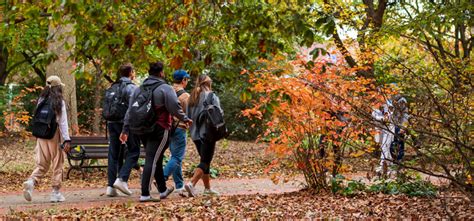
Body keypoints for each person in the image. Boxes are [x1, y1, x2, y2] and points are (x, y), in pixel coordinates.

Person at [120, 62, 192, 202]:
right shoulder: (165, 88)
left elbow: (130, 110)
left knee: (155, 157)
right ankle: (145, 193)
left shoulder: (139, 88)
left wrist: (125, 129)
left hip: (141, 129)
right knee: (152, 159)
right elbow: (174, 107)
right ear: (161, 73)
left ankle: (163, 190)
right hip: (160, 128)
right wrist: (185, 118)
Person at [23, 75, 71, 202]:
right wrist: (66, 139)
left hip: (41, 134)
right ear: (58, 87)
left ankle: (31, 182)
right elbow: (63, 122)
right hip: (54, 135)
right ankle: (55, 192)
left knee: (42, 163)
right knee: (57, 162)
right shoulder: (59, 101)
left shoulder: (41, 99)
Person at [105, 63, 141, 197]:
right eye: (134, 71)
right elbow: (134, 109)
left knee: (114, 154)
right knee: (134, 151)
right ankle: (122, 179)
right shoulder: (131, 88)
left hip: (111, 123)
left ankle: (110, 187)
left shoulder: (112, 86)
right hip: (125, 124)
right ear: (131, 72)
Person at [184, 74, 222, 197]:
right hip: (208, 134)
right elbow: (219, 112)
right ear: (208, 83)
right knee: (205, 161)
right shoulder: (211, 96)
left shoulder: (192, 97)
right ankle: (191, 184)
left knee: (204, 160)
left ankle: (207, 189)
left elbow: (188, 117)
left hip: (195, 134)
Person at [163, 69, 191, 197]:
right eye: (187, 79)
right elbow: (189, 115)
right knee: (177, 157)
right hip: (179, 128)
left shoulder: (167, 91)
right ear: (183, 80)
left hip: (167, 128)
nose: (187, 82)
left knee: (174, 156)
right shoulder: (185, 96)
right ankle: (161, 178)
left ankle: (179, 186)